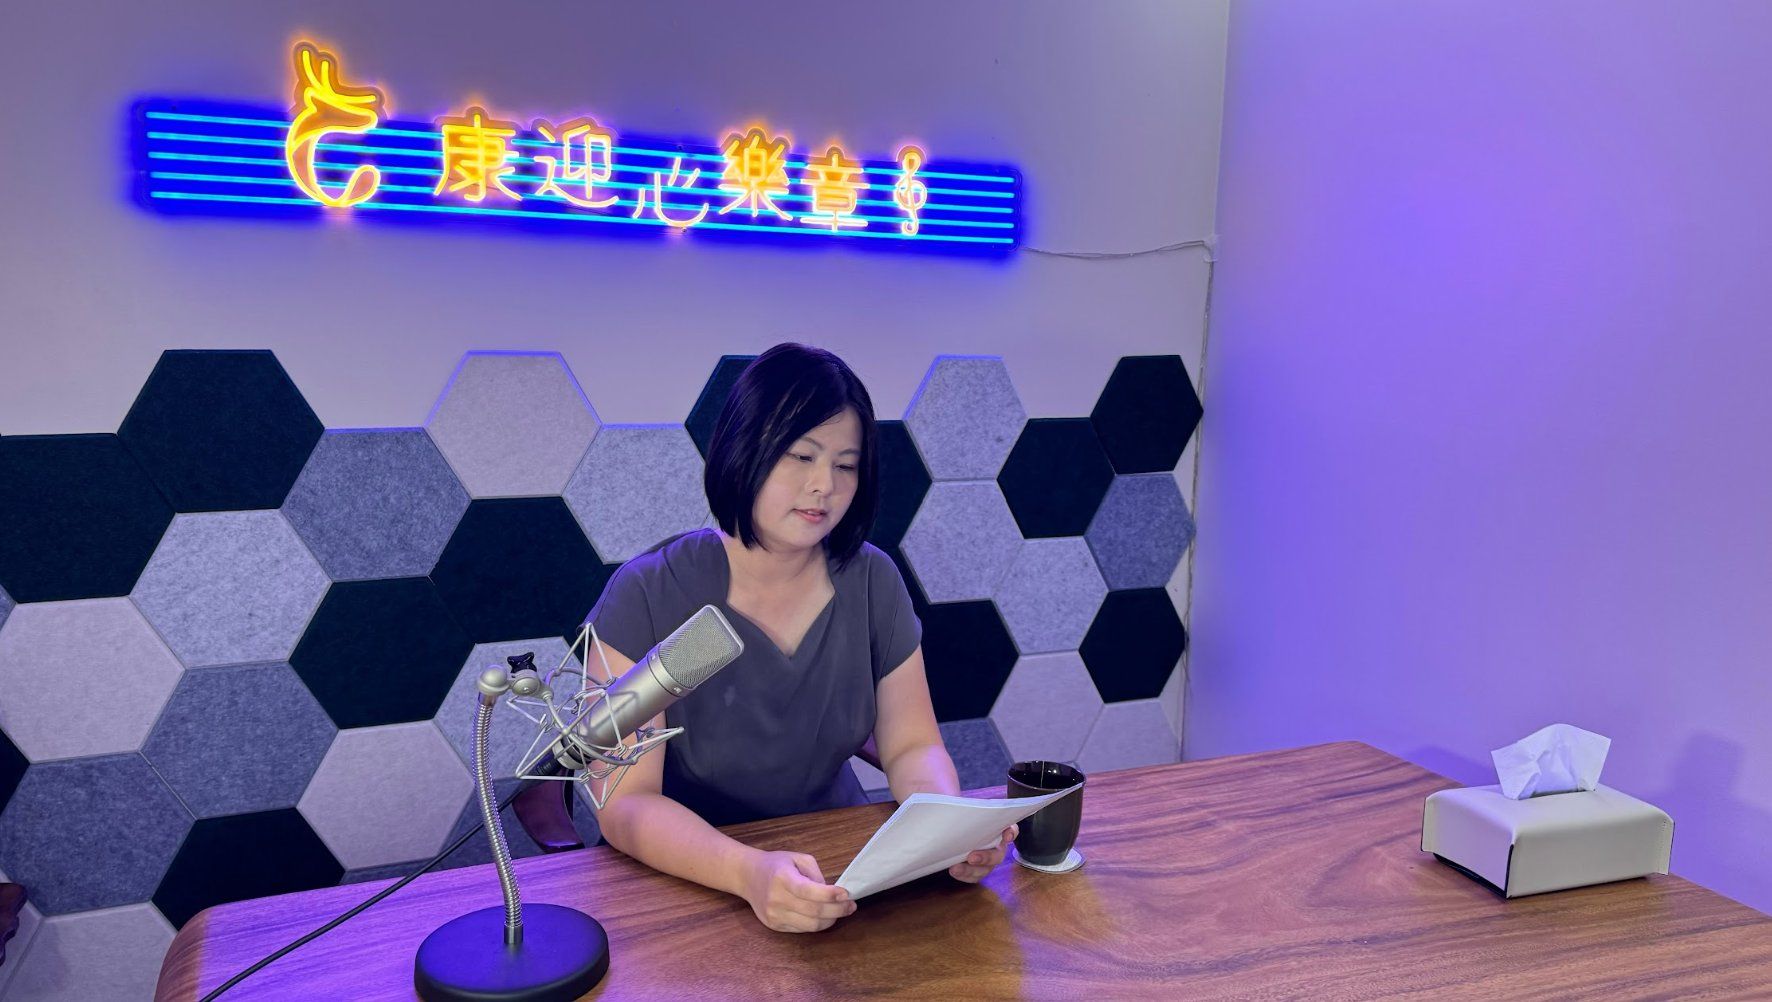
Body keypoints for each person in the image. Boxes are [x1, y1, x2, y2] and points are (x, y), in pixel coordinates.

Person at [583, 342, 1016, 934]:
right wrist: (747, 872)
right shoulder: (647, 593)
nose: (823, 486)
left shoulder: (873, 580)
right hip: (685, 880)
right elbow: (626, 803)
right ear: (744, 450)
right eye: (800, 456)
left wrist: (946, 829)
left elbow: (913, 746)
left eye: (845, 465)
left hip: (837, 866)